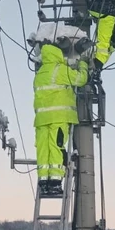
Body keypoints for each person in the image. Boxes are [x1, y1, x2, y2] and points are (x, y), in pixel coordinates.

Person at [33, 40, 88, 195]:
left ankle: (43, 182)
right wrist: (83, 64)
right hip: (58, 116)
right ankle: (55, 183)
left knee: (43, 150)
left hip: (40, 119)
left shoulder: (40, 73)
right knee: (56, 147)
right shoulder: (60, 70)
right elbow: (81, 79)